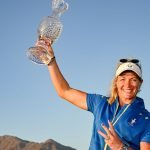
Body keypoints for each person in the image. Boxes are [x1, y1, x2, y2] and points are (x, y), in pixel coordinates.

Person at [36, 39, 150, 150]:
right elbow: (64, 91)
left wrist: (121, 147)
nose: (127, 85)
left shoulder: (146, 119)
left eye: (133, 80)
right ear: (116, 82)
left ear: (140, 83)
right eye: (123, 79)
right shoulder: (100, 103)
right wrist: (50, 60)